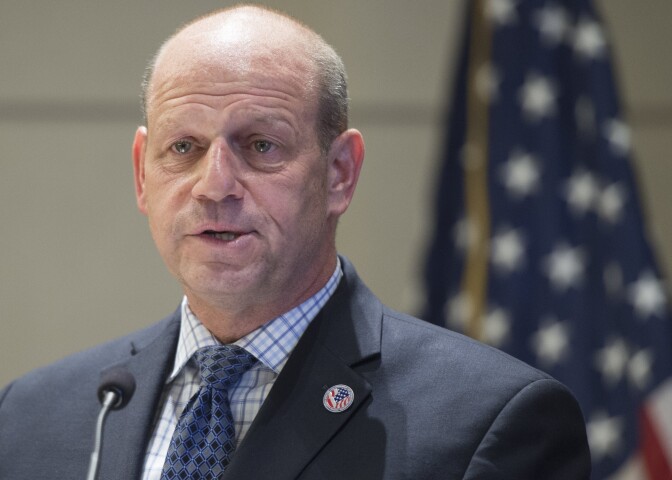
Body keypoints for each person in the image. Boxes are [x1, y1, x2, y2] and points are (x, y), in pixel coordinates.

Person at [0, 5, 591, 479]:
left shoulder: (490, 423)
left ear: (339, 174)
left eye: (261, 145)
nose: (215, 186)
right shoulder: (33, 418)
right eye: (184, 147)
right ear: (141, 173)